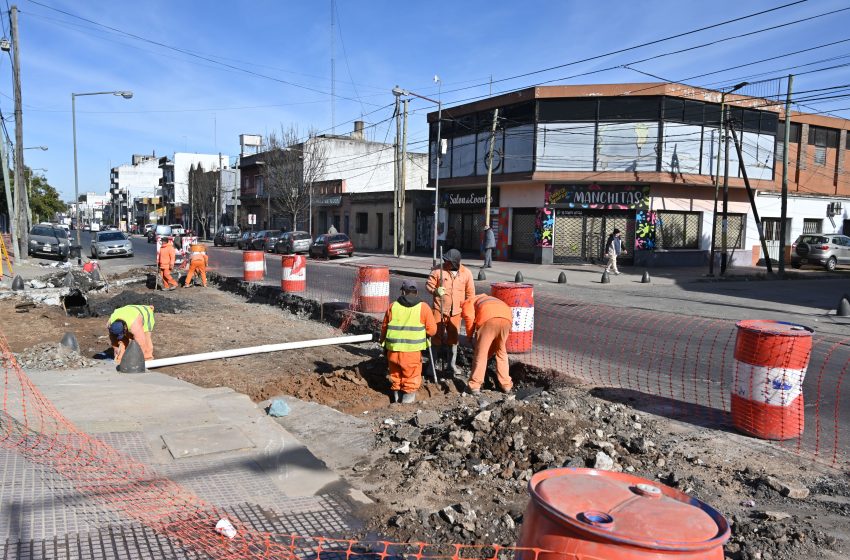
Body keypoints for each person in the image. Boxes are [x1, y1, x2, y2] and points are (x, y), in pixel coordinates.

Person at [380, 280, 438, 404]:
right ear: (416, 292)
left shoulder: (393, 306)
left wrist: (383, 344)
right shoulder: (423, 307)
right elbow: (432, 330)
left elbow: (384, 328)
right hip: (412, 351)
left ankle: (396, 399)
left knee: (395, 375)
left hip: (393, 349)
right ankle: (406, 403)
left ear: (403, 291)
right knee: (411, 377)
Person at [426, 248, 475, 376]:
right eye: (445, 260)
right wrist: (435, 290)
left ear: (454, 263)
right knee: (435, 337)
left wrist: (467, 311)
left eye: (447, 261)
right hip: (439, 309)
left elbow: (470, 294)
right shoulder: (438, 270)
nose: (445, 262)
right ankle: (432, 365)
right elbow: (429, 284)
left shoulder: (466, 273)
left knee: (453, 339)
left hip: (456, 312)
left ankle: (451, 365)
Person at [461, 293, 513, 394]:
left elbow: (469, 317)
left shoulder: (468, 302)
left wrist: (469, 336)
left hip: (488, 319)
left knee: (481, 353)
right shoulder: (488, 299)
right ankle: (506, 385)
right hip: (507, 319)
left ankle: (474, 385)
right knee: (501, 352)